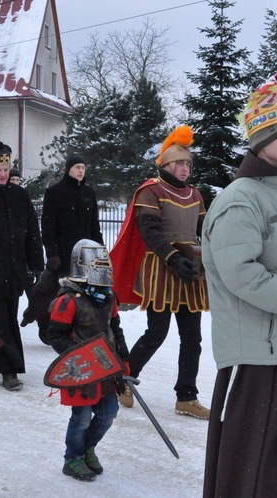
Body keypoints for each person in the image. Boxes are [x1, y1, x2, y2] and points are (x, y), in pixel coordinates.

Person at [201, 83, 277, 497]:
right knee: (258, 477)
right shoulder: (240, 201)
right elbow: (241, 275)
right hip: (262, 361)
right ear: (261, 141)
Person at [111, 125, 210, 419]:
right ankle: (124, 378)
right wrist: (173, 257)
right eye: (179, 163)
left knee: (192, 338)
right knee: (157, 332)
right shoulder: (151, 190)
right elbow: (150, 232)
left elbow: (206, 229)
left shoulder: (195, 194)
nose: (184, 168)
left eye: (188, 163)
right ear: (166, 164)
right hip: (162, 270)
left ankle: (186, 396)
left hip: (190, 270)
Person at [46, 239, 129, 482]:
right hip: (81, 370)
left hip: (107, 366)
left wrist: (124, 359)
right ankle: (72, 459)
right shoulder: (69, 300)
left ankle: (87, 450)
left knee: (108, 414)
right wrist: (79, 355)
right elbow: (55, 334)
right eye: (98, 263)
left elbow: (115, 330)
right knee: (81, 418)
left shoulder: (109, 297)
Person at [0, 141, 43, 391]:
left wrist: (36, 261)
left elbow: (31, 230)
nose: (3, 173)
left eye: (6, 168)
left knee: (7, 318)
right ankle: (9, 370)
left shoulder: (19, 194)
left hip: (15, 268)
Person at [25, 156, 104, 345]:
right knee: (52, 293)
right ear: (68, 169)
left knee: (83, 296)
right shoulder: (55, 192)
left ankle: (78, 331)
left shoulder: (89, 193)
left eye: (83, 167)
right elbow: (48, 224)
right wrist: (52, 253)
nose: (81, 171)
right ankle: (46, 325)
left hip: (85, 256)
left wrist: (100, 252)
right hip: (62, 255)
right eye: (77, 167)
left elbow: (94, 226)